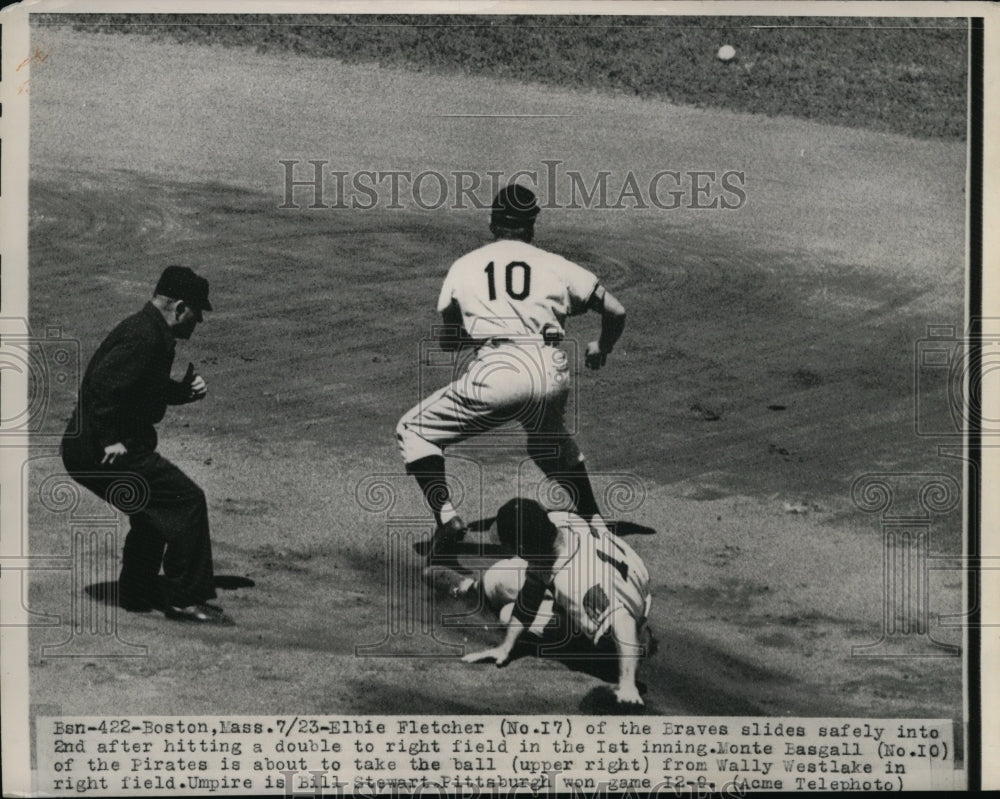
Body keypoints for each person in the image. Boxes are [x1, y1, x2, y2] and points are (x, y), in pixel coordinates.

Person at [396, 183, 626, 554]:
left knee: (414, 430)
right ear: (532, 226)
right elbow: (616, 310)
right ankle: (596, 523)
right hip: (551, 371)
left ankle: (446, 518)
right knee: (548, 440)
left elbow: (450, 339)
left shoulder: (463, 266)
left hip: (499, 373)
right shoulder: (557, 264)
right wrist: (602, 346)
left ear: (491, 224)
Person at [60, 266, 230, 625]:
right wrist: (111, 440)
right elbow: (101, 388)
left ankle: (137, 591)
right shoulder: (144, 336)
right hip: (99, 449)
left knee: (152, 506)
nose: (197, 323)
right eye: (196, 314)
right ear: (180, 307)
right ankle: (185, 599)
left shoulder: (147, 330)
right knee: (186, 500)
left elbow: (137, 389)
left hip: (88, 447)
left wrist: (180, 392)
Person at [462, 498, 653, 706]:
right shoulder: (561, 520)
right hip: (628, 582)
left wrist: (627, 684)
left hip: (619, 621)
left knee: (508, 614)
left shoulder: (575, 584)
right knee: (496, 579)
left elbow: (623, 621)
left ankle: (625, 647)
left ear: (524, 547)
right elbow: (535, 582)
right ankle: (473, 587)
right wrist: (506, 647)